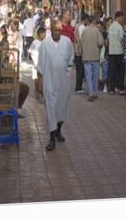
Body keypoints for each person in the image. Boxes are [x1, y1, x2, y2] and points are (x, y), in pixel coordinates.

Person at [37, 20, 74, 151]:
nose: (57, 33)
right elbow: (40, 66)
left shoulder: (67, 42)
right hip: (49, 81)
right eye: (55, 30)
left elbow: (70, 60)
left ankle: (58, 130)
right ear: (51, 31)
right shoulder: (44, 44)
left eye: (59, 30)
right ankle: (51, 138)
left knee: (61, 107)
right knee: (51, 109)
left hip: (63, 81)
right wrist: (40, 84)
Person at [81, 17, 104, 101]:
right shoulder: (97, 30)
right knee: (95, 75)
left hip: (86, 56)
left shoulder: (84, 31)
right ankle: (95, 93)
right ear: (94, 21)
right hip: (95, 56)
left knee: (88, 76)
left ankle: (90, 93)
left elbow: (81, 42)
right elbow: (101, 42)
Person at [107, 11, 125, 95]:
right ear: (119, 17)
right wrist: (123, 48)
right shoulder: (119, 27)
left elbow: (107, 40)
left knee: (111, 71)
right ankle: (120, 88)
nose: (122, 19)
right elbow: (121, 40)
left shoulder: (110, 27)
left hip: (111, 52)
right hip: (119, 51)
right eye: (122, 17)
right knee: (120, 70)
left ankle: (111, 89)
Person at [28, 26, 46, 100]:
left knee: (42, 80)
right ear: (40, 34)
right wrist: (35, 62)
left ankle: (41, 93)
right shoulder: (35, 42)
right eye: (43, 34)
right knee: (36, 79)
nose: (44, 35)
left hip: (43, 64)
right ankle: (37, 91)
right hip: (36, 64)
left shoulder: (45, 42)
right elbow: (31, 52)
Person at [74, 13, 89, 92]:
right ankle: (78, 87)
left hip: (77, 50)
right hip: (80, 51)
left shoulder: (77, 25)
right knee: (80, 69)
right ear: (86, 19)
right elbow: (82, 39)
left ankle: (78, 86)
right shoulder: (82, 27)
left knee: (79, 69)